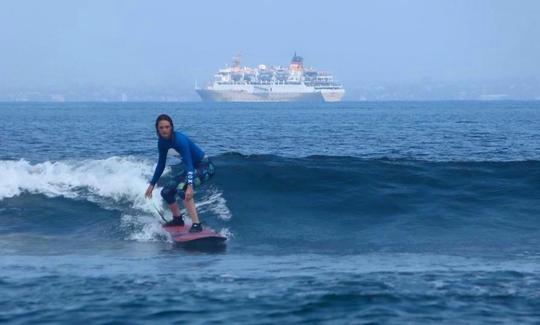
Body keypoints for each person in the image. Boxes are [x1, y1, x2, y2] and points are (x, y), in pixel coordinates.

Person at [144, 114, 215, 232]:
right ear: (157, 129)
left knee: (183, 189)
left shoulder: (179, 140)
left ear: (171, 127)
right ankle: (177, 219)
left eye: (167, 127)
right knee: (166, 192)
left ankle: (197, 224)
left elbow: (188, 164)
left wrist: (190, 186)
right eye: (161, 128)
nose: (164, 130)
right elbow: (161, 164)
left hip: (205, 166)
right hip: (192, 167)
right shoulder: (162, 142)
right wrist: (152, 184)